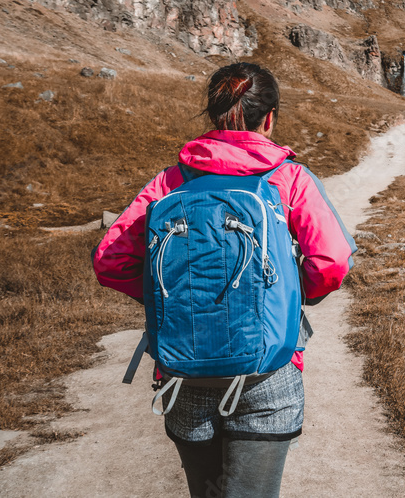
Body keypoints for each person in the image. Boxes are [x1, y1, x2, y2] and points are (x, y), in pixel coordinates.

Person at [92, 62, 355, 498]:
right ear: (268, 118)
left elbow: (111, 261)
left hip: (183, 372)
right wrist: (284, 294)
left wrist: (174, 298)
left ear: (214, 114)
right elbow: (331, 262)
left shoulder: (171, 181)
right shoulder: (287, 178)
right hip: (268, 373)